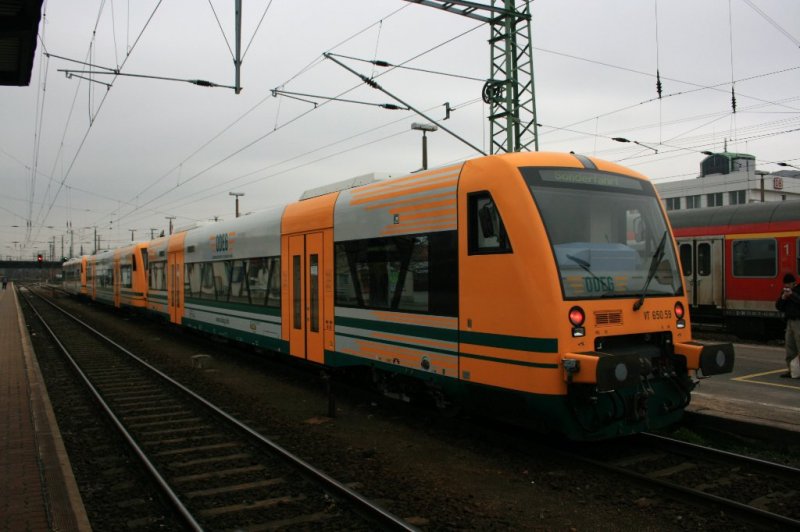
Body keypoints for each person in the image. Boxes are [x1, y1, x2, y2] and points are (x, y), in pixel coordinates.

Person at [775, 272, 800, 378]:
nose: (786, 286)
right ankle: (792, 370)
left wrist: (792, 295)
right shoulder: (785, 292)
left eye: (788, 284)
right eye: (785, 285)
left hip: (798, 321)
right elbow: (778, 306)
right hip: (789, 322)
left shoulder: (798, 290)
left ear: (793, 283)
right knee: (790, 346)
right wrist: (783, 298)